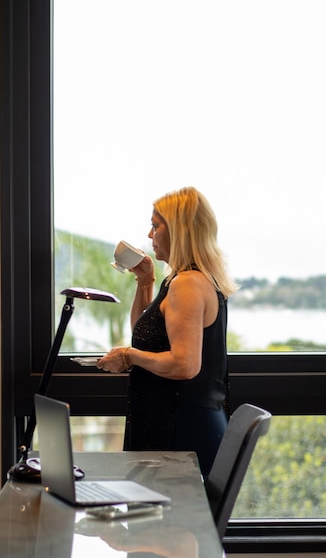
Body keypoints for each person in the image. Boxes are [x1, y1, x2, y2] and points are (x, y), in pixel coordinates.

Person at [97, 186, 238, 477]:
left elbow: (184, 365)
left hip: (181, 429)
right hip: (181, 423)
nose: (150, 235)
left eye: (155, 225)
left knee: (161, 522)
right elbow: (146, 337)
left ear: (180, 230)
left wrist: (129, 355)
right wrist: (145, 283)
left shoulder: (187, 284)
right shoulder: (189, 279)